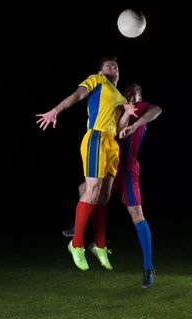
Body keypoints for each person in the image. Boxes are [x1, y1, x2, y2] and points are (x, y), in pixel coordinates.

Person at [35, 57, 138, 272]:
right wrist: (56, 110)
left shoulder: (120, 97)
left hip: (112, 144)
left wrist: (127, 114)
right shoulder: (97, 80)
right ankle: (77, 244)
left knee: (104, 196)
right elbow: (77, 95)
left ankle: (99, 246)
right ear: (101, 70)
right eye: (109, 65)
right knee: (91, 191)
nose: (114, 68)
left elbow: (119, 128)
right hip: (96, 139)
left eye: (117, 66)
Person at [62, 82, 162, 288]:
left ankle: (148, 267)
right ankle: (79, 231)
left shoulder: (142, 109)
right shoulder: (118, 108)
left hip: (126, 169)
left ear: (139, 97)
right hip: (110, 163)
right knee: (85, 190)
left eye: (133, 93)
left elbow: (157, 110)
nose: (129, 95)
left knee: (136, 214)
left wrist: (135, 124)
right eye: (126, 92)